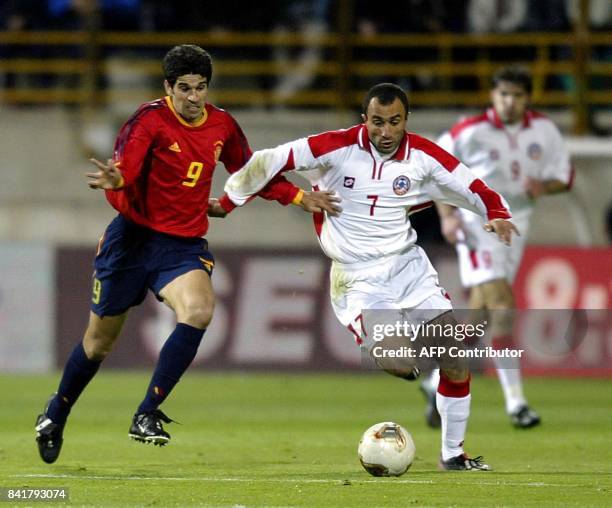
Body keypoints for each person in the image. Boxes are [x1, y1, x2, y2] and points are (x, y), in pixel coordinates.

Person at [34, 44, 338, 464]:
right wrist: (117, 179)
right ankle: (56, 412)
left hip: (181, 245)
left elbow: (250, 171)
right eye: (184, 88)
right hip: (132, 242)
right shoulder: (148, 121)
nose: (194, 98)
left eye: (201, 88)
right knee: (97, 345)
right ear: (167, 87)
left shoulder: (222, 126)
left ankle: (147, 412)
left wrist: (299, 196)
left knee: (198, 311)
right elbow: (130, 166)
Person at [213, 83, 520, 471]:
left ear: (406, 120)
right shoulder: (334, 147)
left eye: (394, 122)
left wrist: (498, 213)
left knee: (455, 359)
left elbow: (468, 183)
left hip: (408, 266)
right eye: (377, 122)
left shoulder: (423, 155)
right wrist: (234, 201)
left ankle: (453, 455)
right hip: (358, 278)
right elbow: (268, 161)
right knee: (398, 359)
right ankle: (413, 365)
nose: (386, 132)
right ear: (365, 120)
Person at [422, 65, 574, 429]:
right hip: (479, 222)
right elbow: (432, 170)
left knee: (480, 318)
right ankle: (516, 403)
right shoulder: (468, 131)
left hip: (518, 223)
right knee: (504, 305)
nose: (509, 102)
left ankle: (433, 382)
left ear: (528, 98)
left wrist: (544, 186)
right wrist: (448, 216)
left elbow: (564, 177)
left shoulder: (545, 130)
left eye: (517, 95)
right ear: (493, 95)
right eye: (503, 94)